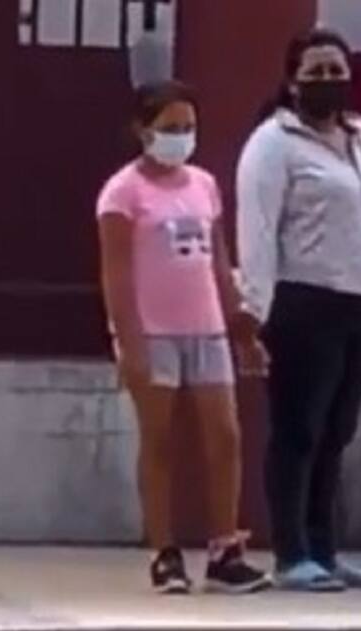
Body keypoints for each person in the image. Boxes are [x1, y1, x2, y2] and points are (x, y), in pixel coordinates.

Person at [96, 80, 271, 595]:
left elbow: (218, 261)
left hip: (208, 328)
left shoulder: (204, 185)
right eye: (170, 128)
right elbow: (117, 275)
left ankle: (225, 549)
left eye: (188, 128)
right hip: (154, 332)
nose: (180, 137)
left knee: (225, 436)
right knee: (161, 440)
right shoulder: (122, 193)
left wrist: (241, 326)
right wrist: (130, 344)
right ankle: (164, 551)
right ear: (142, 130)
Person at [235, 29, 361, 592]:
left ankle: (326, 549)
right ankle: (291, 552)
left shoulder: (358, 139)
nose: (329, 81)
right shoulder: (273, 145)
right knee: (298, 431)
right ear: (292, 80)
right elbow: (256, 232)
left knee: (336, 433)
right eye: (316, 71)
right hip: (304, 304)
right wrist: (252, 313)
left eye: (336, 70)